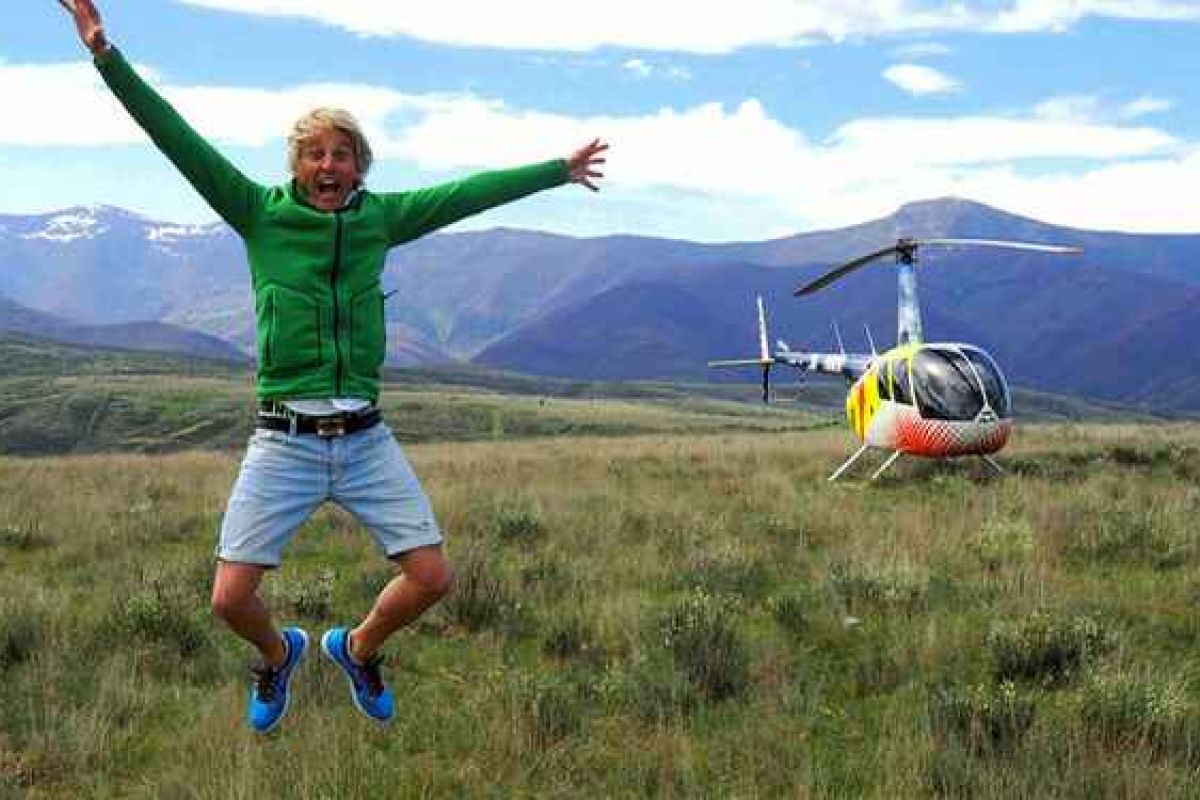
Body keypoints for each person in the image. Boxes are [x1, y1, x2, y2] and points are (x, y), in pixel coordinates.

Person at [60, 0, 607, 732]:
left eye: (341, 155)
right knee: (229, 599)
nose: (328, 166)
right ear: (297, 165)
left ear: (359, 167)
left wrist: (554, 172)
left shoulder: (380, 219)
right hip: (282, 438)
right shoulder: (256, 212)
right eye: (315, 154)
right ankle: (278, 657)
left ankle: (356, 649)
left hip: (364, 440)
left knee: (434, 578)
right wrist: (105, 55)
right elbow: (176, 140)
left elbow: (464, 194)